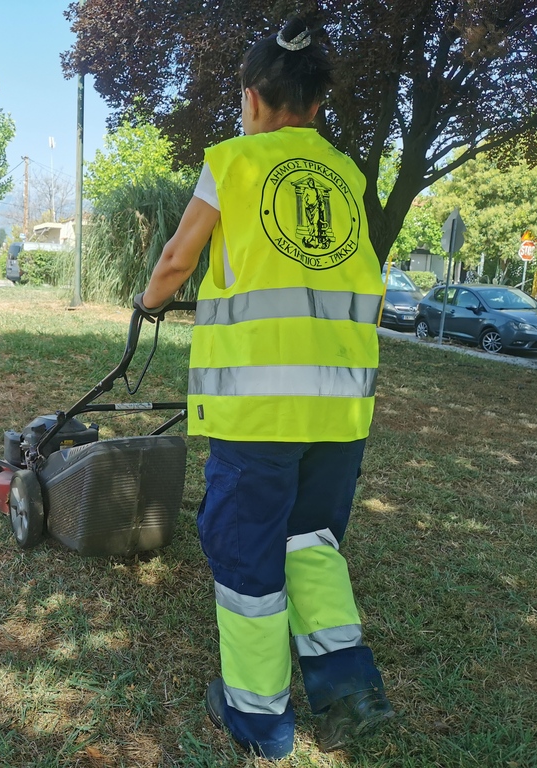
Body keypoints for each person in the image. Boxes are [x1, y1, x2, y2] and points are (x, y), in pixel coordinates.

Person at [134, 17, 394, 760]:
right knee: (312, 543)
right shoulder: (346, 175)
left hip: (259, 406)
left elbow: (178, 258)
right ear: (316, 104)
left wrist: (148, 302)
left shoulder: (234, 163)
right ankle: (348, 691)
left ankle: (259, 719)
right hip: (340, 405)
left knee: (246, 552)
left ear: (251, 98)